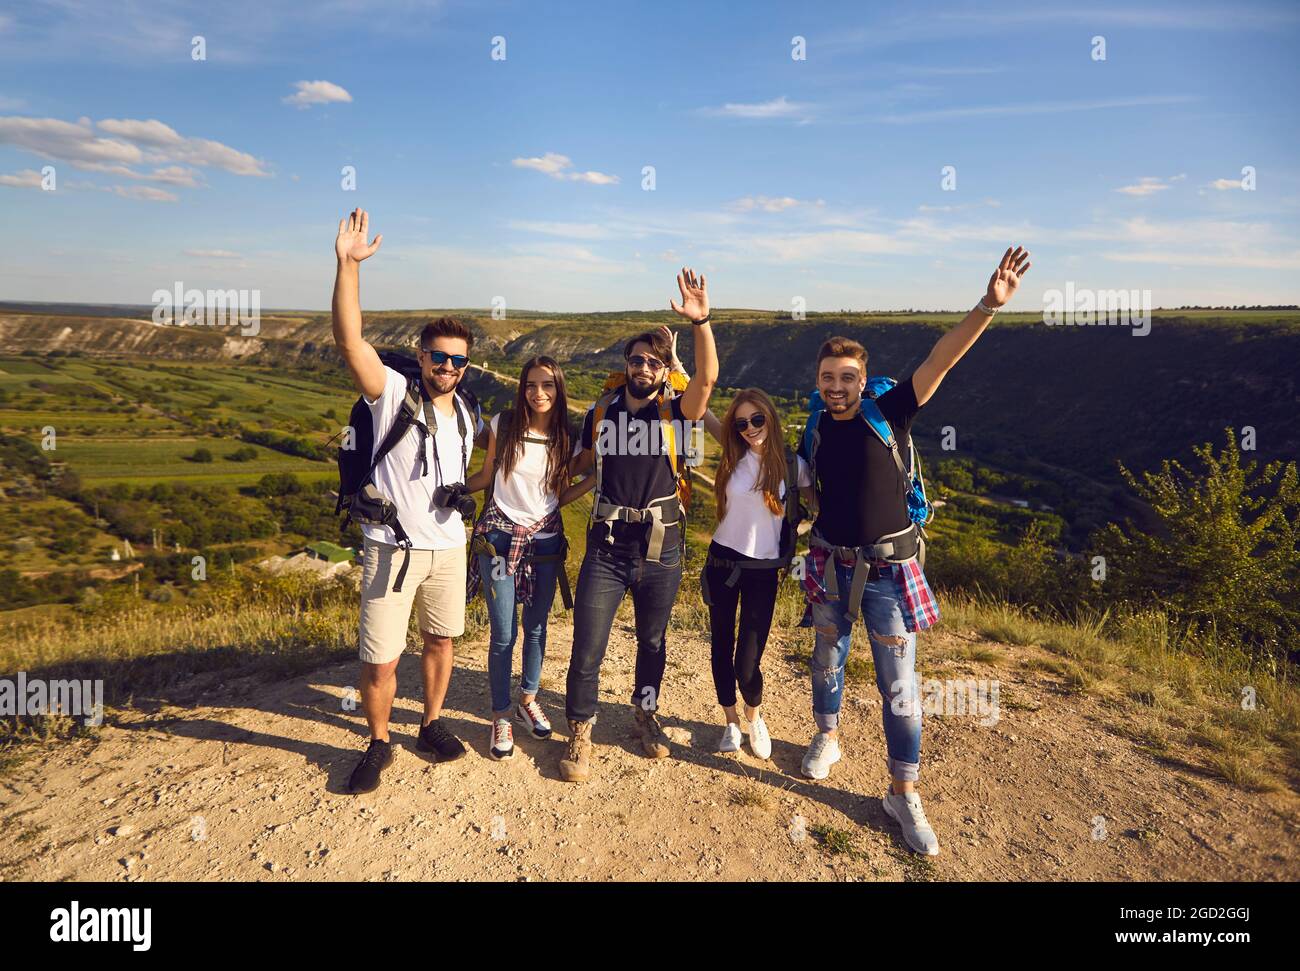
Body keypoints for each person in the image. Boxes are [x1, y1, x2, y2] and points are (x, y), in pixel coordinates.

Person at [799, 246, 1032, 856]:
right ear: (818, 381)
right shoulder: (815, 426)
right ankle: (828, 737)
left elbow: (941, 359)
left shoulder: (890, 411)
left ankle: (902, 792)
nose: (837, 386)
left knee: (898, 686)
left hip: (886, 571)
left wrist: (988, 305)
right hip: (830, 562)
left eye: (847, 377)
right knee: (826, 662)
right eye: (828, 377)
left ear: (861, 379)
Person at [331, 208, 485, 795]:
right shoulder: (391, 394)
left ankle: (430, 723)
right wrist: (348, 266)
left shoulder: (466, 412)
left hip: (449, 548)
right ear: (421, 357)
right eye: (438, 356)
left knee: (441, 641)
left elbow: (464, 476)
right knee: (381, 659)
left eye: (457, 360)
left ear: (465, 367)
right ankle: (378, 742)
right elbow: (350, 340)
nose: (447, 366)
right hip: (392, 551)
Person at [556, 268, 719, 783]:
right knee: (587, 645)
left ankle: (645, 716)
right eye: (636, 359)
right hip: (606, 546)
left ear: (663, 368)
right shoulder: (602, 411)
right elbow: (580, 466)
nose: (644, 366)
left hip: (661, 548)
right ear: (625, 366)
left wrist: (700, 324)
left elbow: (708, 382)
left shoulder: (674, 413)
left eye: (653, 361)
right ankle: (579, 730)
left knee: (653, 641)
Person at [464, 356, 578, 761]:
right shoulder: (504, 425)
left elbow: (558, 493)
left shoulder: (566, 436)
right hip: (498, 537)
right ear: (522, 389)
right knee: (503, 632)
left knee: (536, 626)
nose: (539, 393)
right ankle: (500, 715)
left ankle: (528, 697)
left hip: (545, 542)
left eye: (547, 385)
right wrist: (452, 491)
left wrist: (597, 477)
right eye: (531, 385)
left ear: (558, 388)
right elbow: (487, 475)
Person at [700, 390, 813, 758]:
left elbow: (819, 508)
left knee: (747, 659)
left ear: (770, 418)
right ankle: (731, 723)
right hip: (721, 564)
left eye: (757, 420)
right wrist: (677, 363)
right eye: (742, 423)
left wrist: (795, 533)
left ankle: (754, 716)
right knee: (720, 645)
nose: (750, 429)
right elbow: (700, 404)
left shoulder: (794, 466)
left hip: (762, 571)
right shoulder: (734, 453)